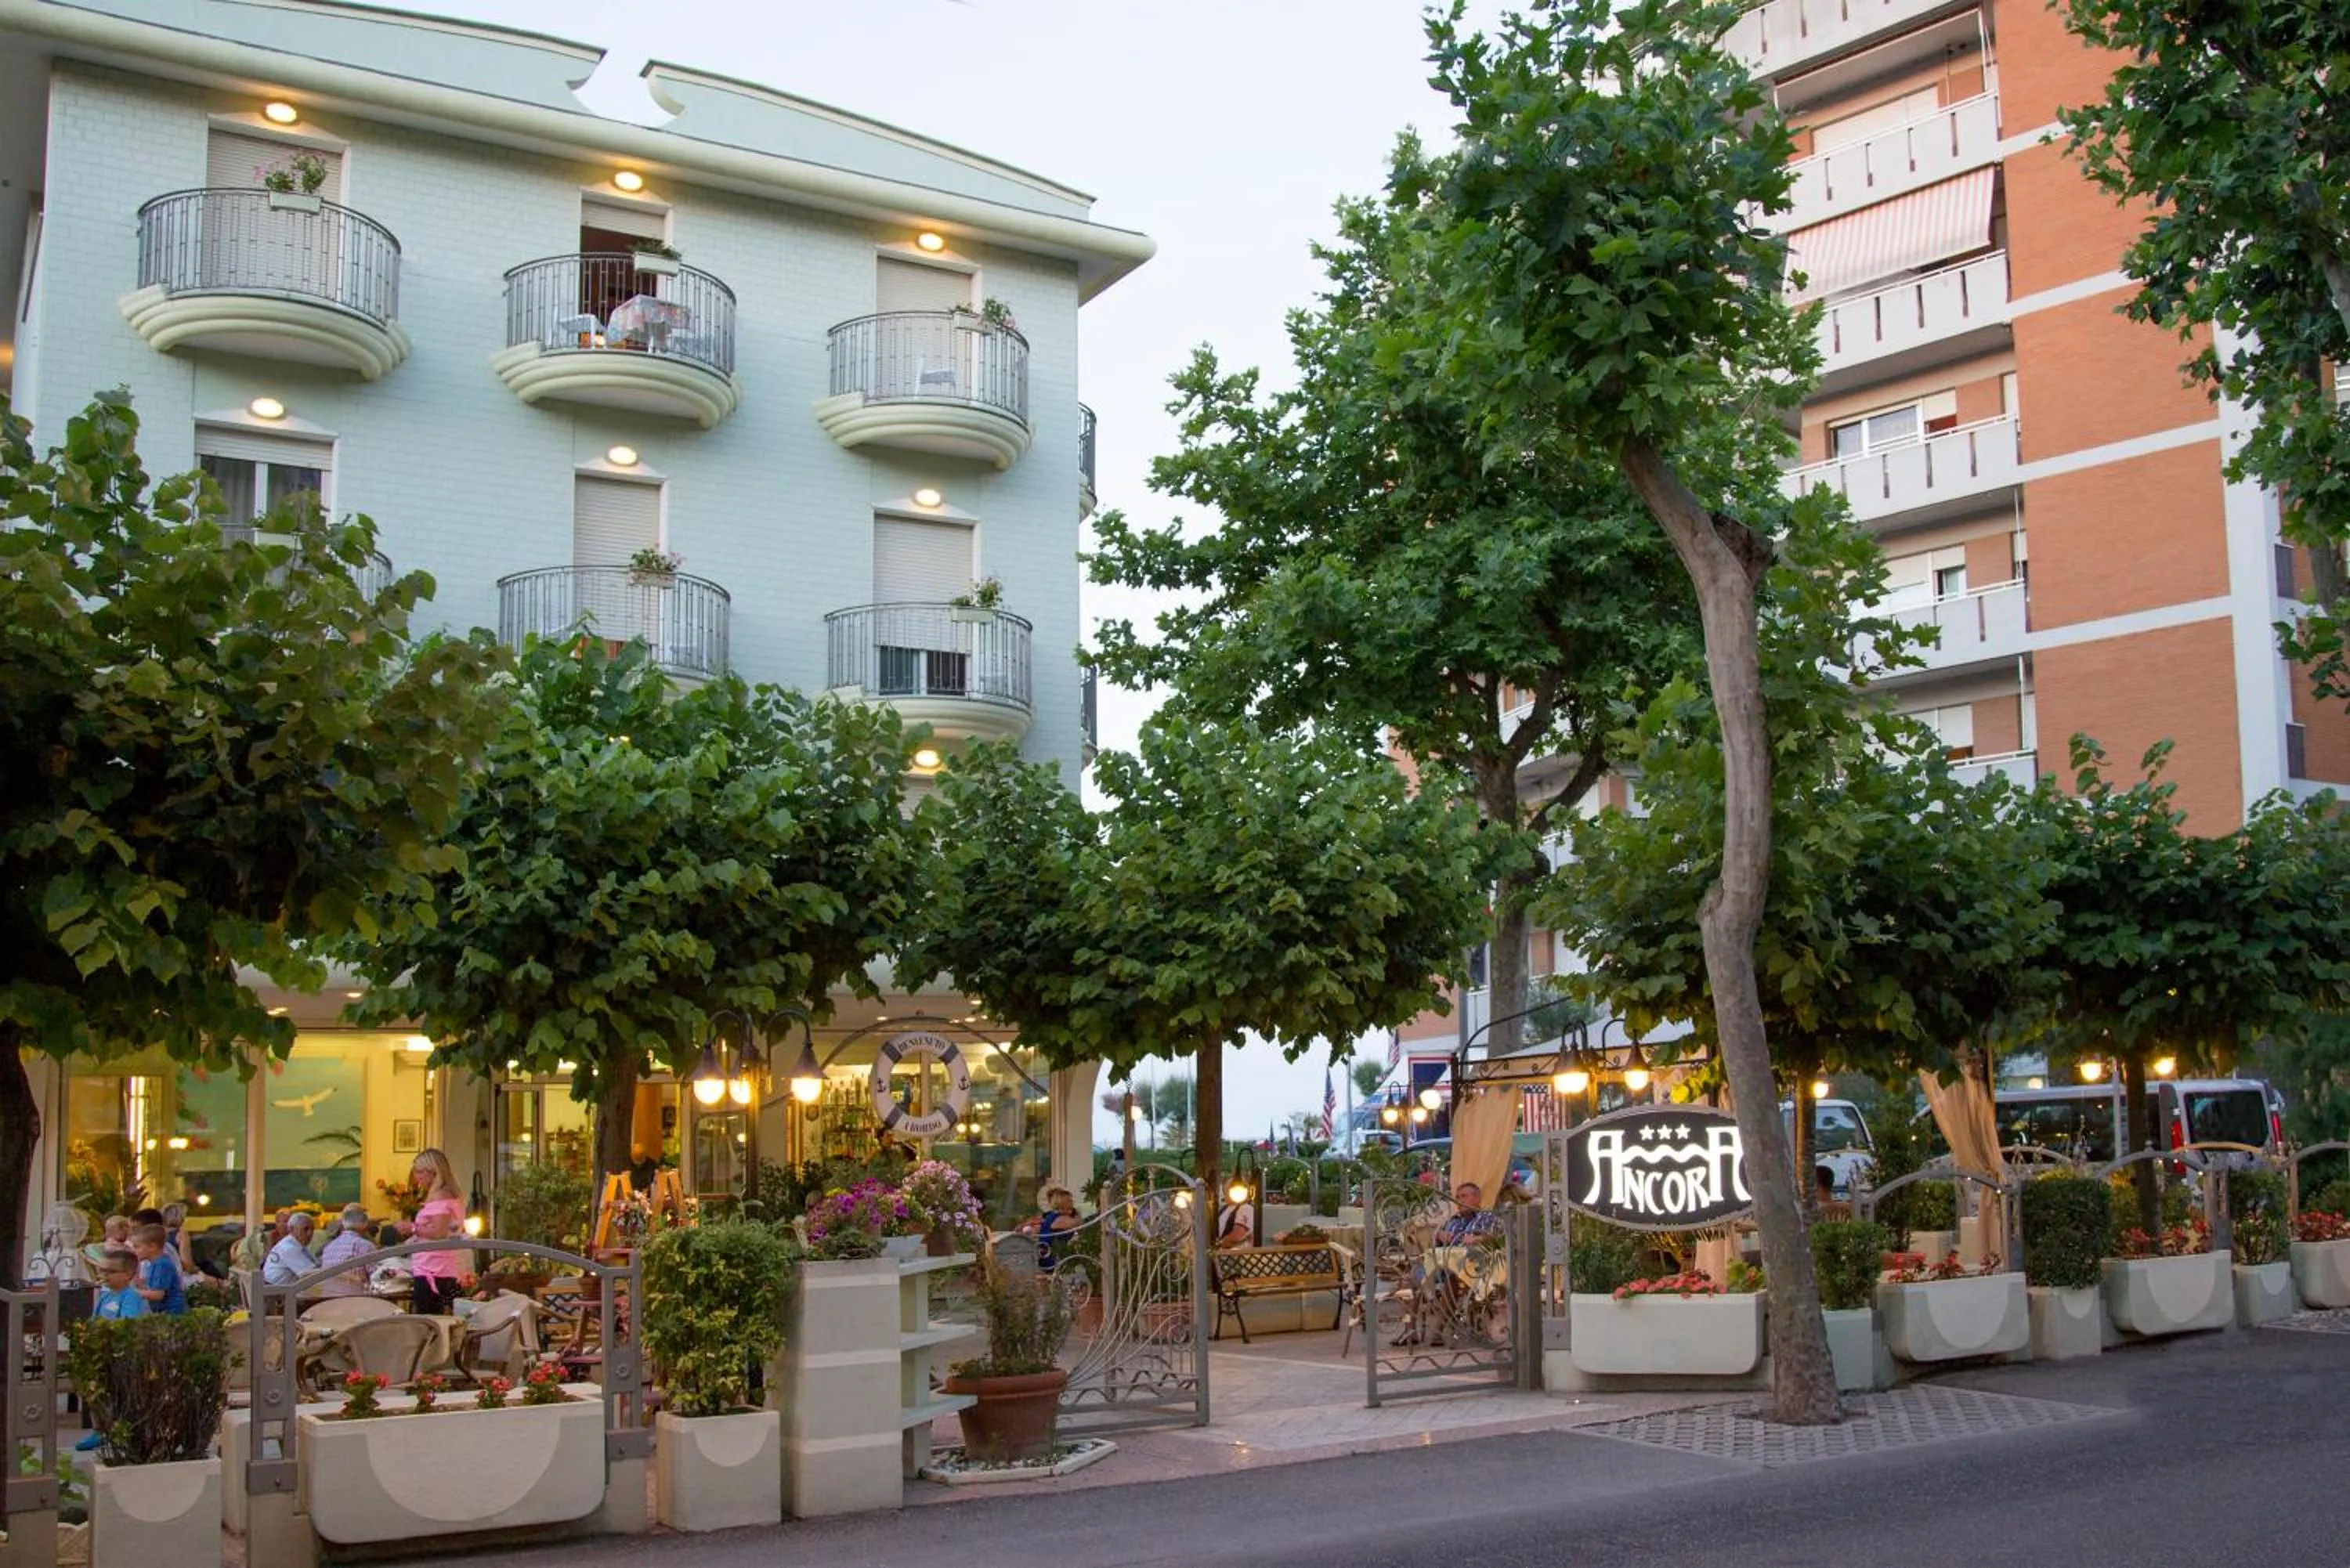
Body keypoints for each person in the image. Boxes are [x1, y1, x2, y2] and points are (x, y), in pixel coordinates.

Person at [400, 1148, 468, 1315]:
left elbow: (439, 1231)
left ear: (433, 1172)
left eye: (419, 1171)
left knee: (428, 1319)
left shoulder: (441, 1196)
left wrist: (413, 1228)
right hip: (439, 1266)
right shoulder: (447, 1195)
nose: (417, 1177)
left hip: (433, 1269)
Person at [315, 1204, 378, 1298]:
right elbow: (377, 1276)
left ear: (343, 1224)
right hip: (358, 1301)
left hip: (329, 1301)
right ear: (365, 1225)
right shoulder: (366, 1246)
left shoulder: (329, 1247)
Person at [1020, 1184, 1082, 1270]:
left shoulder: (1050, 1216)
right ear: (1063, 1205)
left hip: (1045, 1256)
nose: (1072, 1203)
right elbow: (1079, 1223)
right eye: (1070, 1202)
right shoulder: (1061, 1219)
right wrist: (1077, 1214)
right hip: (1054, 1260)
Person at [129, 1223, 186, 1314]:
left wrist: (132, 1292)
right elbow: (154, 1288)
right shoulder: (154, 1264)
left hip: (172, 1314)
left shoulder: (162, 1265)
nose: (133, 1250)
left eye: (137, 1247)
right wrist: (140, 1284)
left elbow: (158, 1295)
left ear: (152, 1247)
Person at [263, 1211, 321, 1290]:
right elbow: (311, 1274)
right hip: (277, 1296)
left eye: (312, 1229)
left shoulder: (293, 1244)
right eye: (306, 1229)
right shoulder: (289, 1248)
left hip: (278, 1291)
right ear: (292, 1229)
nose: (310, 1233)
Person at [1435, 1182, 1502, 1246]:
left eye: (1464, 1196)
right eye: (1458, 1198)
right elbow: (1436, 1244)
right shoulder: (1452, 1220)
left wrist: (1480, 1239)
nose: (1460, 1201)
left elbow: (1499, 1237)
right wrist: (1439, 1236)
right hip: (1447, 1256)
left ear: (1477, 1198)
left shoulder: (1487, 1217)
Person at [91, 1248, 146, 1321]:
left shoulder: (131, 1297)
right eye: (102, 1270)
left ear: (128, 1275)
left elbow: (126, 1326)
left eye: (110, 1271)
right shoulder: (105, 1295)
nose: (103, 1275)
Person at [160, 1201, 198, 1277]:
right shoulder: (181, 1234)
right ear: (180, 1217)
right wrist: (198, 1271)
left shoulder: (155, 1232)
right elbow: (187, 1263)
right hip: (179, 1274)